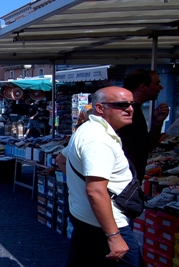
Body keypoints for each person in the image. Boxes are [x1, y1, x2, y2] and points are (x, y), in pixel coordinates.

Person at [62, 86, 140, 266]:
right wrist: (114, 236)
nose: (129, 109)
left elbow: (61, 159)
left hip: (84, 216)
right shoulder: (98, 140)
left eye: (131, 104)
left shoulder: (88, 129)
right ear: (99, 108)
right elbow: (95, 191)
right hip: (105, 223)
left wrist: (80, 190)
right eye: (121, 105)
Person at [116, 68, 168, 179]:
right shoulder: (127, 112)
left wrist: (157, 123)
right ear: (143, 87)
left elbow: (145, 145)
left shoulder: (132, 110)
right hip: (125, 180)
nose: (161, 88)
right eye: (157, 83)